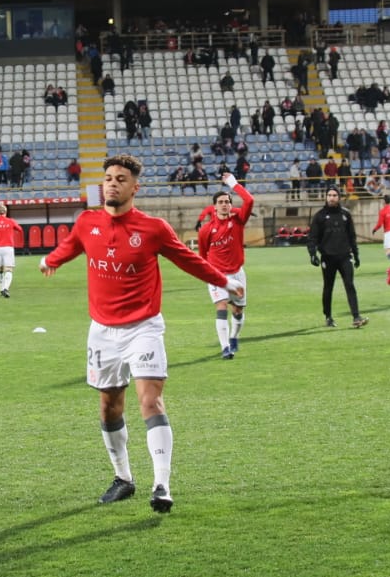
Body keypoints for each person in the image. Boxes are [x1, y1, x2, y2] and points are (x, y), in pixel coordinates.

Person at [39, 155, 243, 514]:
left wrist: (225, 281)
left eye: (120, 179)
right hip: (102, 331)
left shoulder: (153, 228)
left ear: (135, 187)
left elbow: (187, 259)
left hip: (143, 328)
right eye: (107, 178)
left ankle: (162, 484)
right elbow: (71, 245)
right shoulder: (88, 222)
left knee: (150, 401)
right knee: (109, 405)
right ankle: (123, 478)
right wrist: (51, 260)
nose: (112, 184)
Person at [197, 173, 255, 358]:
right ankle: (225, 348)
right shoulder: (206, 230)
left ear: (231, 204)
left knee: (237, 311)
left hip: (237, 274)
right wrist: (208, 274)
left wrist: (232, 183)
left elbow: (249, 199)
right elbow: (202, 255)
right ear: (215, 206)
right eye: (221, 201)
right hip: (217, 275)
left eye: (227, 201)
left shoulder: (238, 221)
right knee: (221, 305)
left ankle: (234, 338)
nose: (224, 204)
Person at [308, 187, 367, 329]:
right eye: (329, 195)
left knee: (350, 285)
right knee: (328, 287)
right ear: (326, 197)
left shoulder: (346, 214)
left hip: (345, 256)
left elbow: (352, 236)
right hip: (328, 257)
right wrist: (312, 254)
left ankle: (356, 316)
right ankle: (328, 316)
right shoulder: (320, 216)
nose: (332, 198)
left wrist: (356, 254)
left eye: (334, 195)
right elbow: (312, 238)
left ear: (339, 197)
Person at [0, 203, 24, 298]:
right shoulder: (10, 221)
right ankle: (6, 288)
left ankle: (1, 289)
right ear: (6, 212)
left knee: (0, 270)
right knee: (9, 269)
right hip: (8, 247)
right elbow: (20, 229)